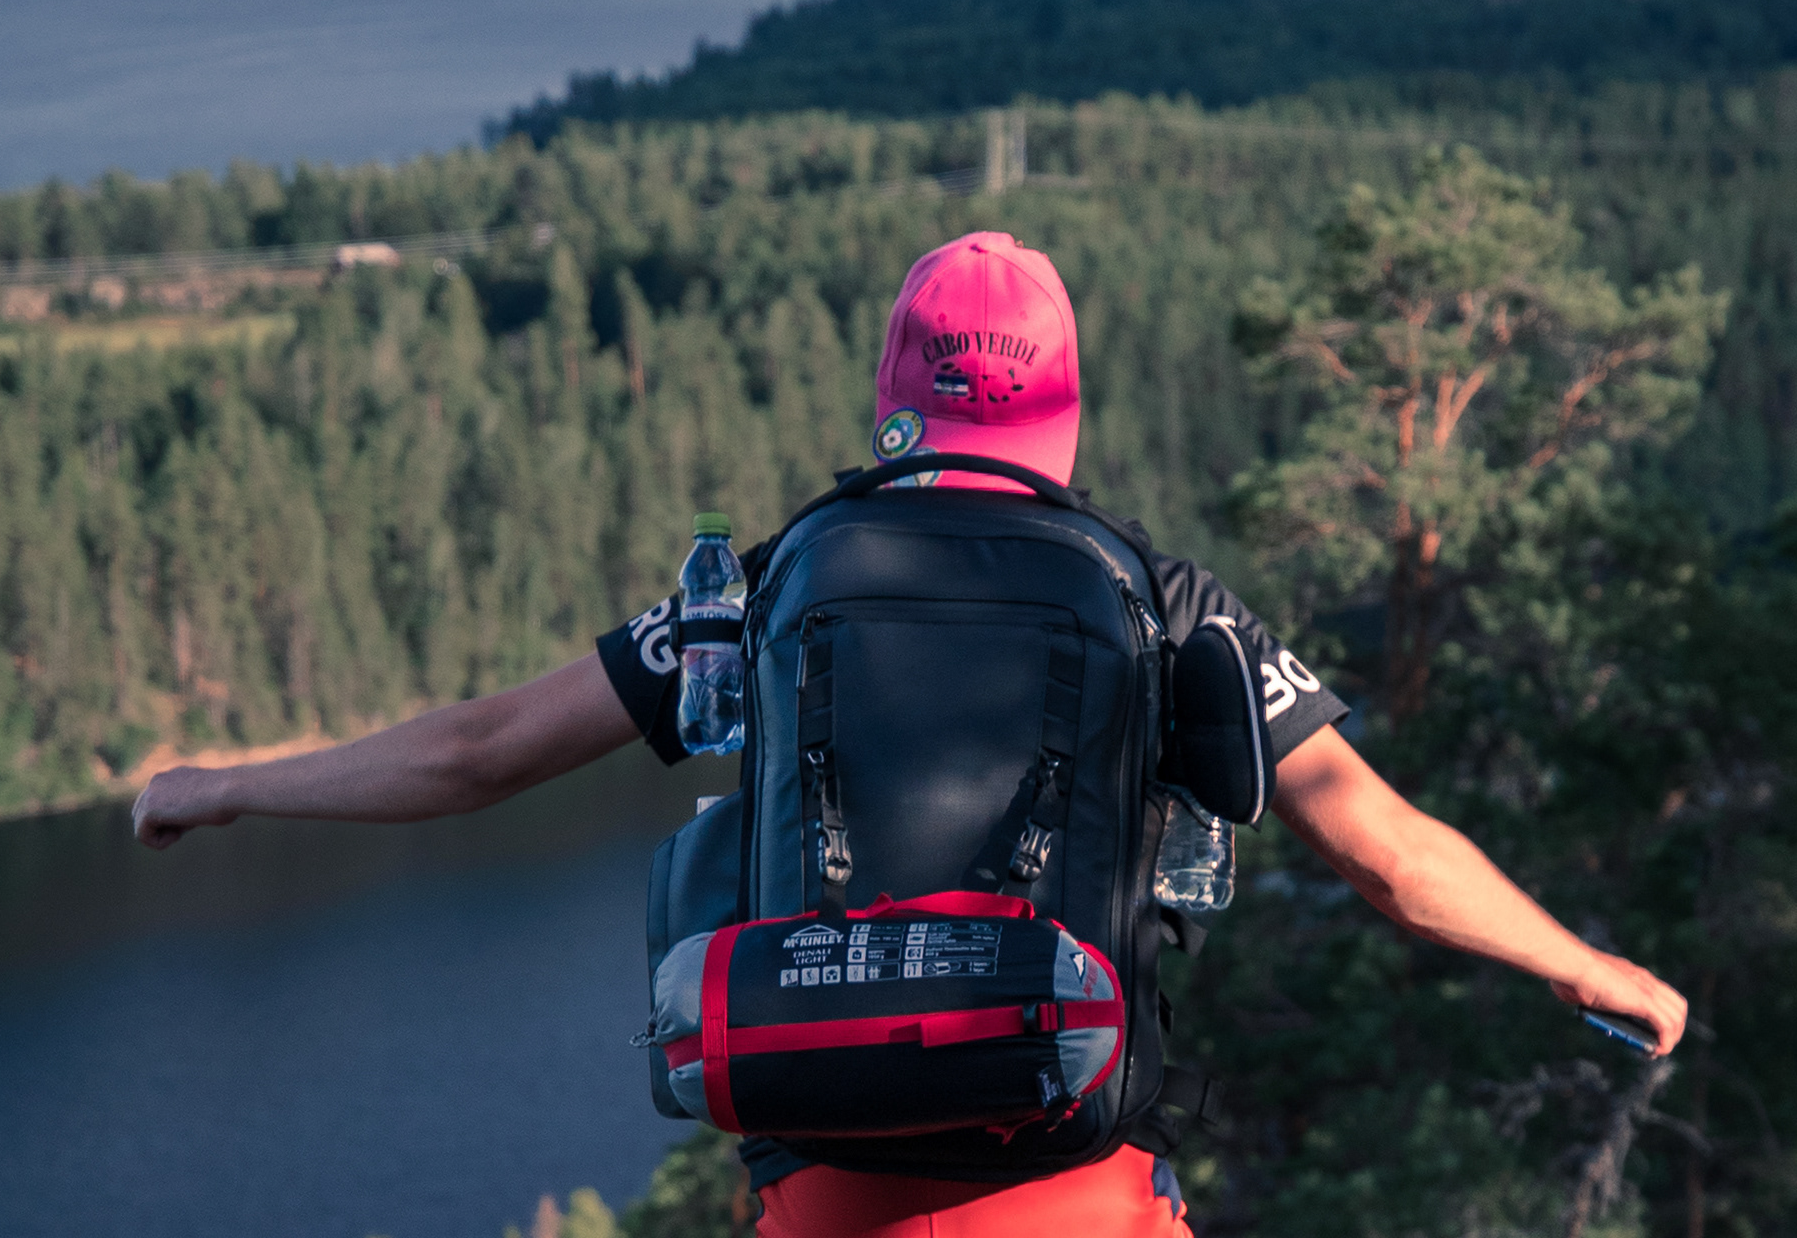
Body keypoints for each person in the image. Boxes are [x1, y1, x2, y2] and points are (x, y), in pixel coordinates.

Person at [136, 230, 1687, 1235]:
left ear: (893, 395)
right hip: (1075, 1190)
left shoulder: (770, 587)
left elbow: (481, 751)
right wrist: (1586, 967)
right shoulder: (1163, 603)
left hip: (826, 1195)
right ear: (1061, 412)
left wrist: (231, 787)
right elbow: (1390, 856)